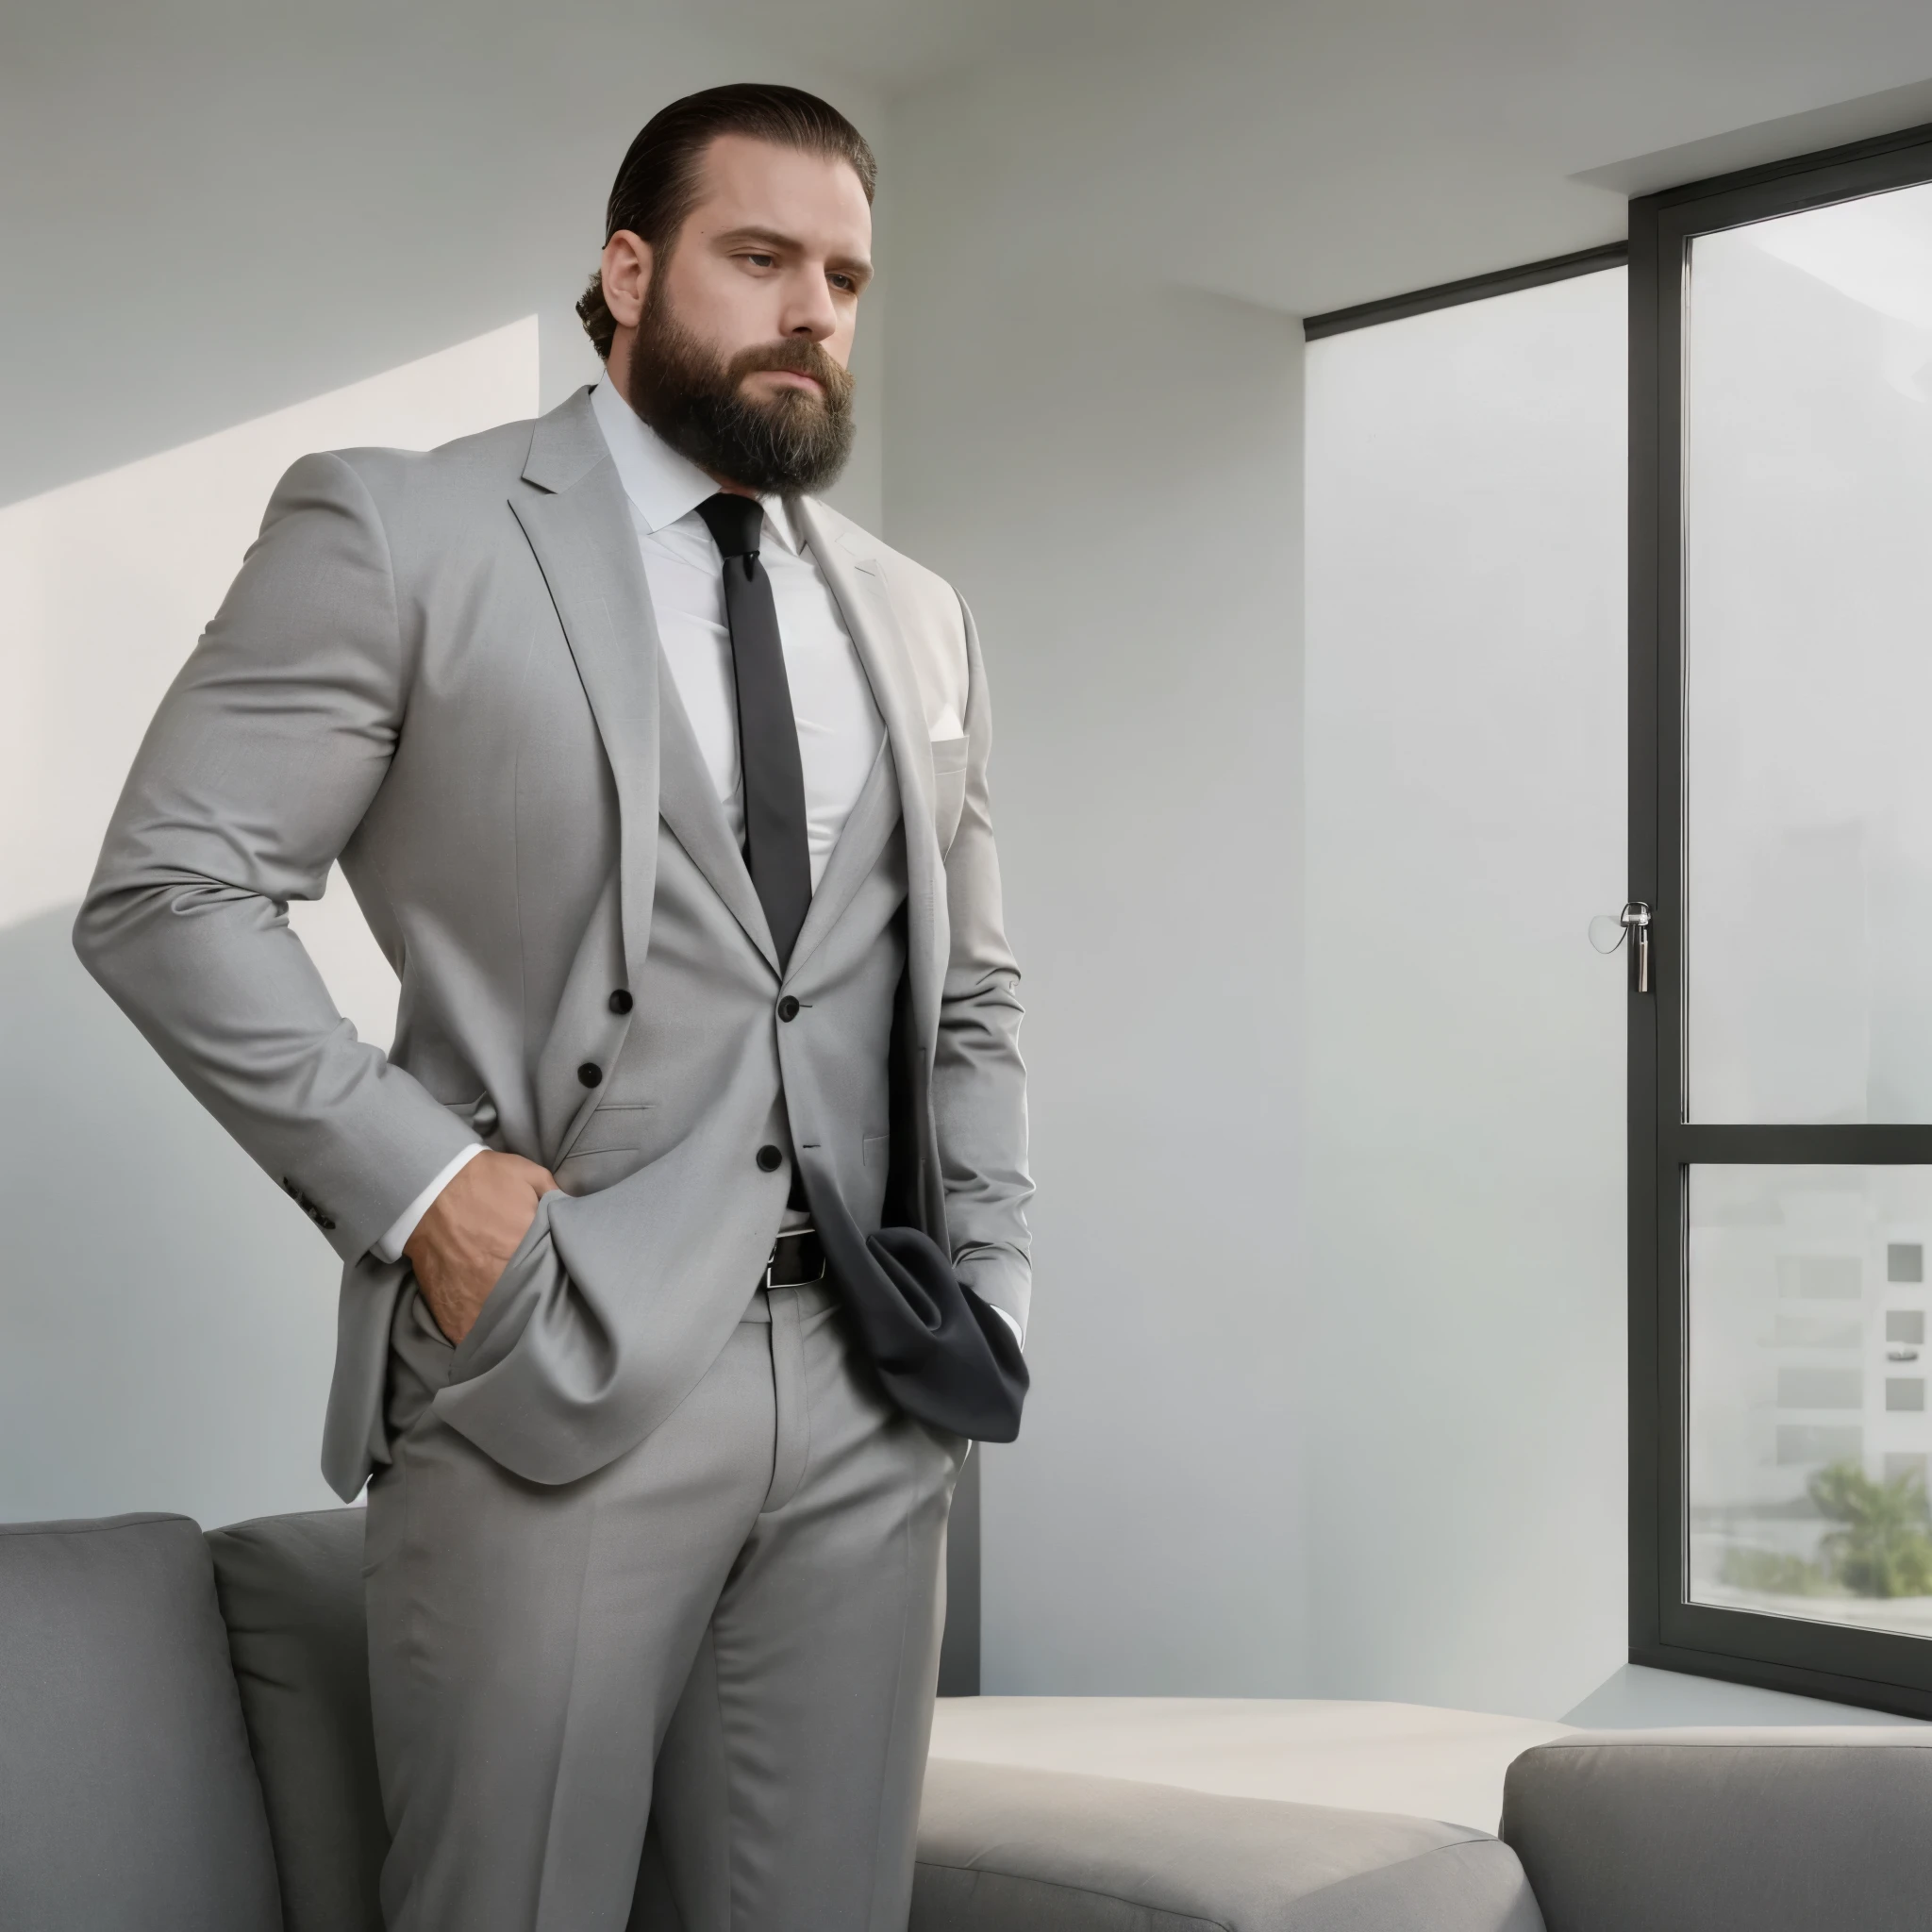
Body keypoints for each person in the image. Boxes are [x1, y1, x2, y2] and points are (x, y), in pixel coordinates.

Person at [75, 82, 1031, 1932]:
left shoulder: (919, 618)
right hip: (547, 1365)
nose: (811, 309)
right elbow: (169, 890)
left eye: (843, 274)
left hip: (867, 1388)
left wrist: (982, 1291)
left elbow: (967, 989)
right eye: (758, 256)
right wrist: (436, 1199)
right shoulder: (402, 528)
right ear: (628, 268)